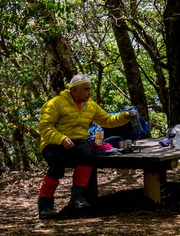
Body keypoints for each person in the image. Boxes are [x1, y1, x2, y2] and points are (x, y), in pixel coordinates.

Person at [36, 74, 136, 219]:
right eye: (85, 90)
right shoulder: (55, 103)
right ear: (74, 90)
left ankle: (78, 198)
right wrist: (61, 138)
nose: (89, 93)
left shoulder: (91, 105)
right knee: (57, 164)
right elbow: (45, 127)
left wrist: (124, 116)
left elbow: (107, 120)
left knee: (87, 157)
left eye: (90, 89)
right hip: (52, 142)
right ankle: (45, 205)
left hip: (77, 140)